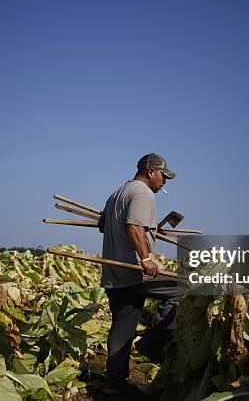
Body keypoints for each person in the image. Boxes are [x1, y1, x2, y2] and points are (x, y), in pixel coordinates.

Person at [98, 153, 188, 393]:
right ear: (151, 171)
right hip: (134, 270)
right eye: (163, 176)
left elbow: (102, 225)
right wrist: (146, 257)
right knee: (184, 288)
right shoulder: (143, 193)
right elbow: (133, 226)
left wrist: (152, 231)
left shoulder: (117, 193)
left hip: (114, 272)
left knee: (123, 324)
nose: (164, 182)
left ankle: (114, 382)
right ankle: (152, 342)